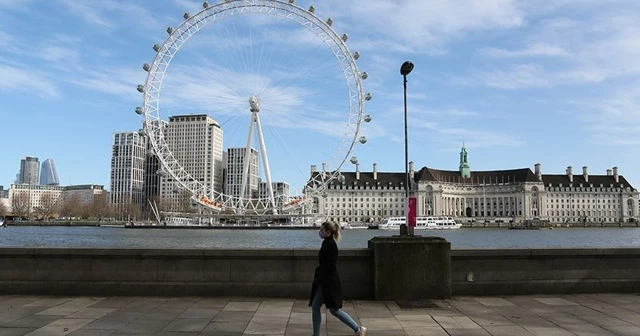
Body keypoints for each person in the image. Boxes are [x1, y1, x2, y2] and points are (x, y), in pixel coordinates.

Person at [309, 221, 366, 336]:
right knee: (318, 307)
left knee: (332, 310)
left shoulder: (329, 245)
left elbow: (329, 266)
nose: (320, 232)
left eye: (322, 230)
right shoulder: (328, 243)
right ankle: (357, 329)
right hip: (326, 281)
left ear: (328, 232)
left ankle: (358, 329)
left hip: (327, 282)